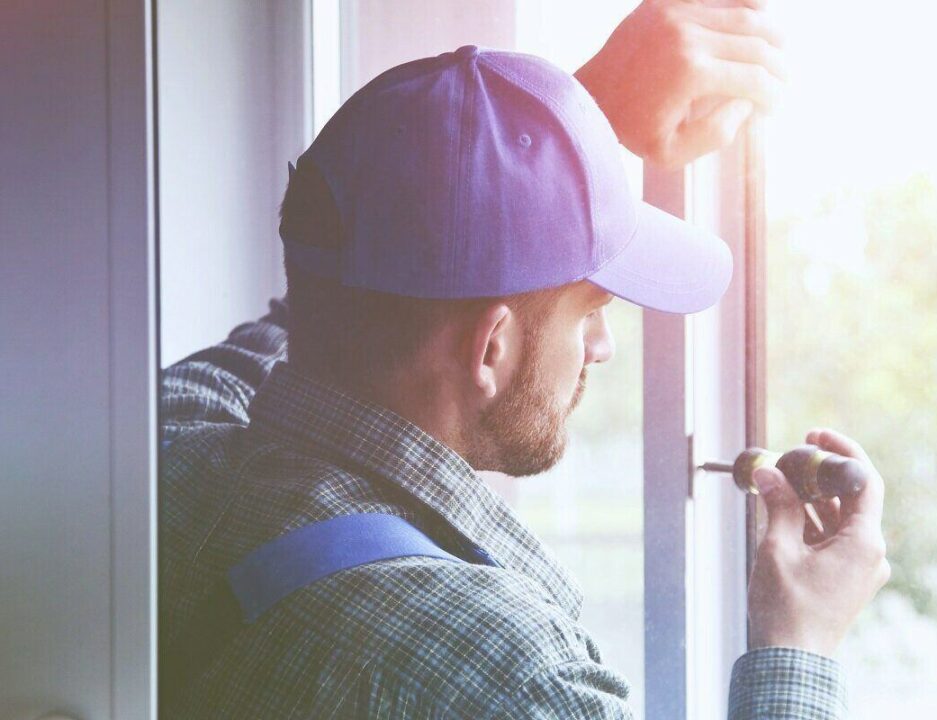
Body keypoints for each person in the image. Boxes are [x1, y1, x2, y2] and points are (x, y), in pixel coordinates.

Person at [159, 2, 890, 717]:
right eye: (592, 313)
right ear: (491, 348)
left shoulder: (168, 450)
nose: (600, 349)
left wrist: (554, 143)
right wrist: (799, 644)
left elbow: (333, 301)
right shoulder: (513, 677)